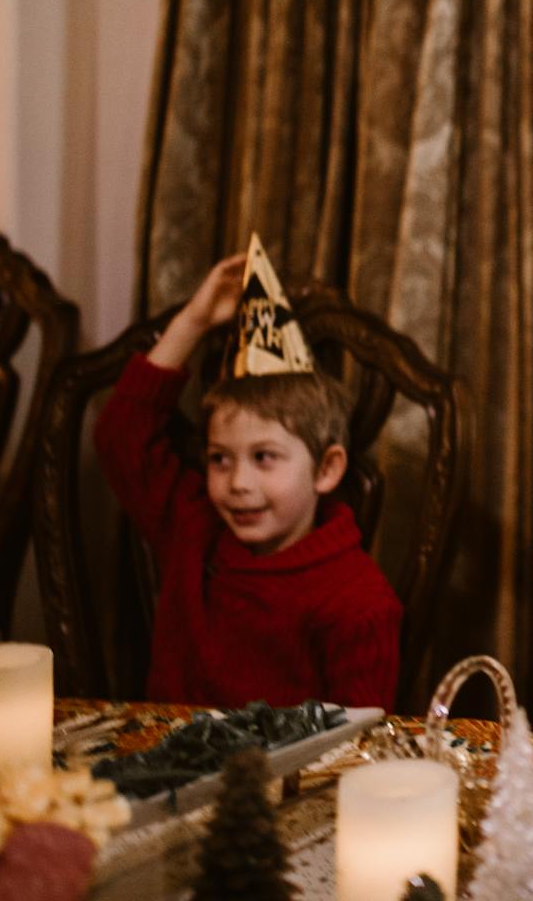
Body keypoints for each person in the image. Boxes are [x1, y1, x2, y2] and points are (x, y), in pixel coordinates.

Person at [94, 245, 402, 709]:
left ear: (326, 469)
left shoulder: (357, 600)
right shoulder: (193, 528)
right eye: (220, 458)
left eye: (264, 458)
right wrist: (192, 323)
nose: (237, 483)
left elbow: (358, 743)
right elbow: (121, 437)